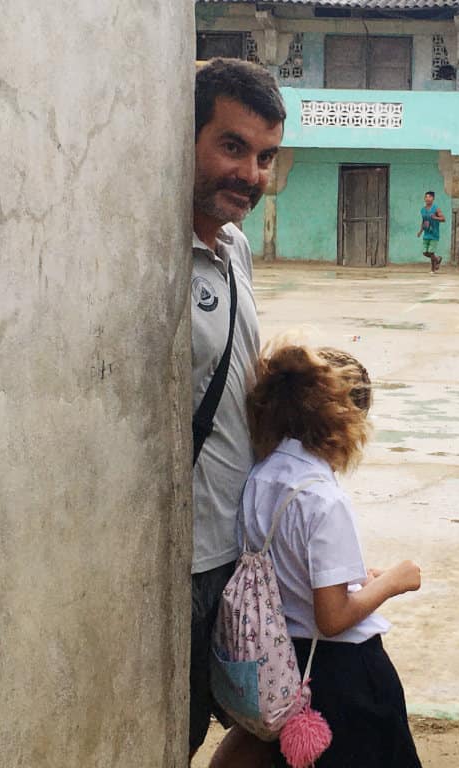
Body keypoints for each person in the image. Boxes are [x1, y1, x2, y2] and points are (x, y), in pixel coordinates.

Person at [240, 344, 423, 767]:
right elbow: (333, 616)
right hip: (346, 675)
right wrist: (395, 581)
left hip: (287, 664)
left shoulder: (261, 476)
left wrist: (360, 579)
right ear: (344, 419)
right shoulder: (323, 498)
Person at [190, 58, 285, 762]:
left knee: (267, 720)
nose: (251, 173)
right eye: (232, 146)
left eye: (265, 157)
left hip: (243, 553)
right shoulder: (150, 254)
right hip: (182, 561)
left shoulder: (237, 250)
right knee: (179, 727)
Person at [418, 191, 446, 273]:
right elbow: (423, 221)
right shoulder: (423, 210)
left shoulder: (436, 209)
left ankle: (433, 269)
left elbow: (443, 219)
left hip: (434, 233)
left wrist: (435, 217)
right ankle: (438, 259)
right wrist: (420, 231)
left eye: (429, 197)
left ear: (433, 199)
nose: (427, 198)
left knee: (431, 252)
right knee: (425, 252)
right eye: (426, 197)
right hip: (426, 233)